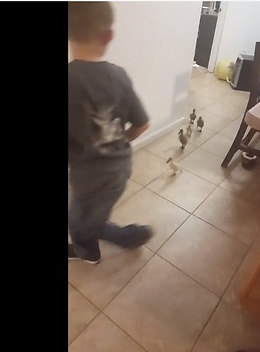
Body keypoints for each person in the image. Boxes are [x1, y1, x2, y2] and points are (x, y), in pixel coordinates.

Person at [68, 1, 154, 264]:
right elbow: (142, 124)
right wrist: (118, 141)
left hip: (89, 179)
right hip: (119, 170)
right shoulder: (119, 76)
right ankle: (102, 239)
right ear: (108, 36)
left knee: (81, 222)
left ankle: (102, 247)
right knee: (91, 215)